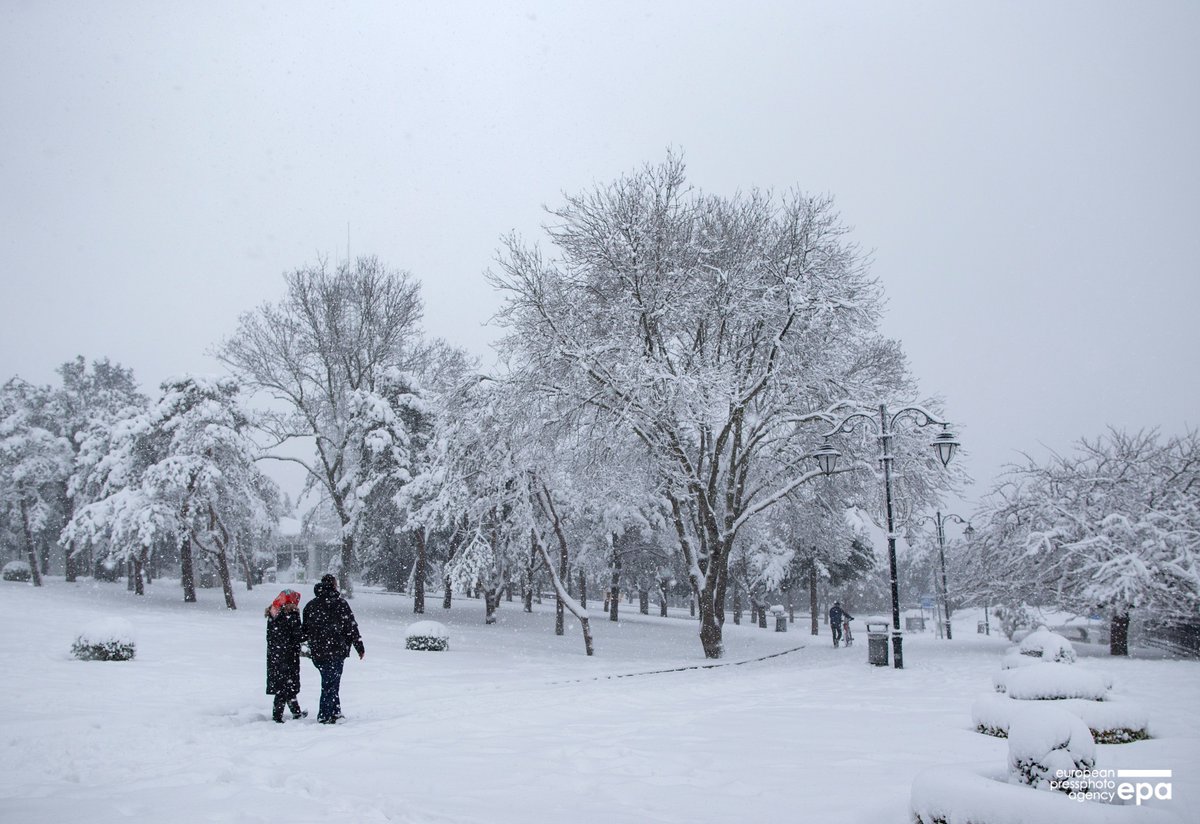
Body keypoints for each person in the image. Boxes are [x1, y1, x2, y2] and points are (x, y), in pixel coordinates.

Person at [302, 573, 365, 724]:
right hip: (336, 649)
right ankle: (325, 714)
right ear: (334, 585)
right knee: (331, 683)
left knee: (330, 681)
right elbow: (351, 627)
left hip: (318, 651)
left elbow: (305, 630)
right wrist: (359, 646)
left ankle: (335, 711)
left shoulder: (311, 605)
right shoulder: (340, 604)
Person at [265, 589, 307, 723]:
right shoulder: (291, 614)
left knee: (283, 685)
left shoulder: (273, 613)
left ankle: (295, 712)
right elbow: (298, 635)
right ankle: (278, 716)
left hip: (274, 655)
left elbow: (271, 636)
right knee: (286, 686)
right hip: (288, 655)